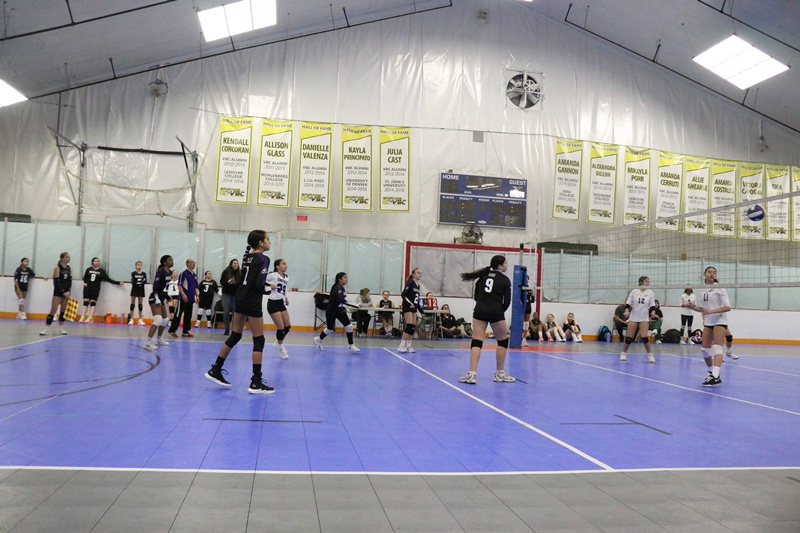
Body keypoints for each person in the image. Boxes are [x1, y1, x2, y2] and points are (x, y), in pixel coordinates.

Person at [205, 230, 275, 394]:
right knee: (259, 340)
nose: (269, 242)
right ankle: (256, 382)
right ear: (261, 243)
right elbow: (258, 284)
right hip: (252, 300)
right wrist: (267, 290)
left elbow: (246, 280)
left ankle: (216, 369)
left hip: (240, 298)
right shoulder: (263, 259)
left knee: (235, 335)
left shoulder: (248, 257)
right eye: (268, 239)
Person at [457, 255, 515, 384]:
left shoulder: (482, 276)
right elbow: (507, 301)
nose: (507, 265)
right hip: (496, 311)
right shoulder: (505, 280)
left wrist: (483, 305)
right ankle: (500, 373)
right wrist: (499, 312)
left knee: (477, 341)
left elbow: (476, 295)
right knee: (502, 341)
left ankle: (471, 374)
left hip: (480, 311)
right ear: (499, 266)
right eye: (505, 263)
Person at [688, 266, 731, 386]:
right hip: (708, 321)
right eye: (710, 272)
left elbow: (727, 307)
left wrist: (712, 311)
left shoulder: (720, 288)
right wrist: (693, 307)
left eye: (714, 272)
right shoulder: (702, 289)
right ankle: (711, 372)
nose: (712, 274)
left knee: (717, 347)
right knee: (705, 350)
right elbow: (703, 309)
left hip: (720, 320)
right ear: (704, 274)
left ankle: (716, 376)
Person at [313, 272, 360, 352]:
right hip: (331, 310)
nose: (346, 279)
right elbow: (341, 300)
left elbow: (341, 301)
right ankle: (318, 339)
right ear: (339, 279)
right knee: (330, 329)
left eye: (347, 277)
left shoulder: (342, 288)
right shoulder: (337, 287)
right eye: (345, 277)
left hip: (340, 310)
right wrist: (356, 305)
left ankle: (351, 345)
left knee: (349, 326)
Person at [620, 276, 656, 363]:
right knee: (629, 338)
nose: (648, 283)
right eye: (646, 281)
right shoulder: (634, 291)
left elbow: (652, 305)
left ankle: (650, 355)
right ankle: (623, 353)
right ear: (641, 282)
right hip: (634, 317)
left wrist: (653, 312)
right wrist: (627, 311)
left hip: (644, 318)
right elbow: (628, 303)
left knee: (644, 338)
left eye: (649, 281)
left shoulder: (650, 293)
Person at [143, 255, 173, 350]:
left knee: (165, 320)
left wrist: (167, 297)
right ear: (164, 262)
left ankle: (159, 339)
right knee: (158, 320)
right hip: (155, 299)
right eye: (170, 260)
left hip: (161, 298)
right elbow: (155, 286)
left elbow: (164, 288)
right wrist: (157, 299)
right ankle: (147, 342)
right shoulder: (160, 272)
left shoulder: (170, 272)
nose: (172, 261)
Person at [78, 257, 121, 323]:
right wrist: (85, 282)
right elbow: (85, 278)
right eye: (95, 261)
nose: (97, 262)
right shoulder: (88, 269)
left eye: (98, 261)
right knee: (85, 302)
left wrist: (118, 283)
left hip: (95, 288)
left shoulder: (101, 271)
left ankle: (90, 317)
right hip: (87, 288)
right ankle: (82, 316)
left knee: (93, 302)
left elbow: (108, 279)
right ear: (92, 262)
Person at [39, 252, 71, 336]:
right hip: (58, 292)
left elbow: (69, 281)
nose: (69, 258)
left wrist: (68, 291)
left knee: (63, 311)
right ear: (62, 258)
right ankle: (46, 328)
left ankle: (61, 328)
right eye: (67, 257)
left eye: (69, 257)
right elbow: (57, 282)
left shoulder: (69, 268)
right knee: (53, 311)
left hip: (66, 293)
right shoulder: (57, 268)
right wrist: (63, 291)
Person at [266, 258, 291, 359]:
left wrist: (286, 298)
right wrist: (269, 285)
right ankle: (281, 348)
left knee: (287, 326)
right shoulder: (273, 275)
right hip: (273, 302)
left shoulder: (286, 277)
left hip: (281, 302)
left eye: (286, 263)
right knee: (280, 328)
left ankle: (278, 342)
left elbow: (284, 288)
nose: (286, 265)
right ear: (277, 266)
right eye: (283, 263)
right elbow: (261, 279)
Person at [168, 258, 198, 338]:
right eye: (192, 262)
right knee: (178, 314)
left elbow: (196, 286)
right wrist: (183, 295)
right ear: (187, 264)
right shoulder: (183, 273)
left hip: (191, 299)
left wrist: (197, 295)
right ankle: (172, 330)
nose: (194, 264)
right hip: (183, 299)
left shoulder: (194, 275)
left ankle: (185, 331)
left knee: (188, 315)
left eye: (194, 262)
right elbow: (180, 285)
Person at [398, 268, 422, 353]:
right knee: (409, 326)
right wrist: (409, 303)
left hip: (414, 308)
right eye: (418, 273)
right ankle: (401, 345)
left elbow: (417, 300)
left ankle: (409, 345)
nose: (420, 274)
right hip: (408, 307)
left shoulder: (418, 286)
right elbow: (403, 294)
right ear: (413, 274)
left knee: (413, 327)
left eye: (421, 273)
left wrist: (421, 311)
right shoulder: (411, 282)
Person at [219, 259, 241, 335]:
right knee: (226, 311)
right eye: (234, 263)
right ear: (231, 264)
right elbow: (222, 282)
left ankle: (235, 329)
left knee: (235, 312)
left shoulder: (240, 273)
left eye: (237, 263)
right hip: (226, 294)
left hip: (235, 294)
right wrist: (228, 281)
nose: (236, 265)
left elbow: (241, 284)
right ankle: (227, 328)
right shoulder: (226, 272)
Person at [128, 261, 147, 325]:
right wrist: (140, 281)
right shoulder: (133, 273)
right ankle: (131, 319)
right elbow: (133, 281)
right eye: (138, 265)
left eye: (140, 265)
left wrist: (139, 282)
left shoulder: (144, 273)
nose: (139, 266)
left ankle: (140, 319)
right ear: (136, 266)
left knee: (140, 304)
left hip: (141, 290)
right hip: (134, 289)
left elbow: (145, 281)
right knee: (132, 304)